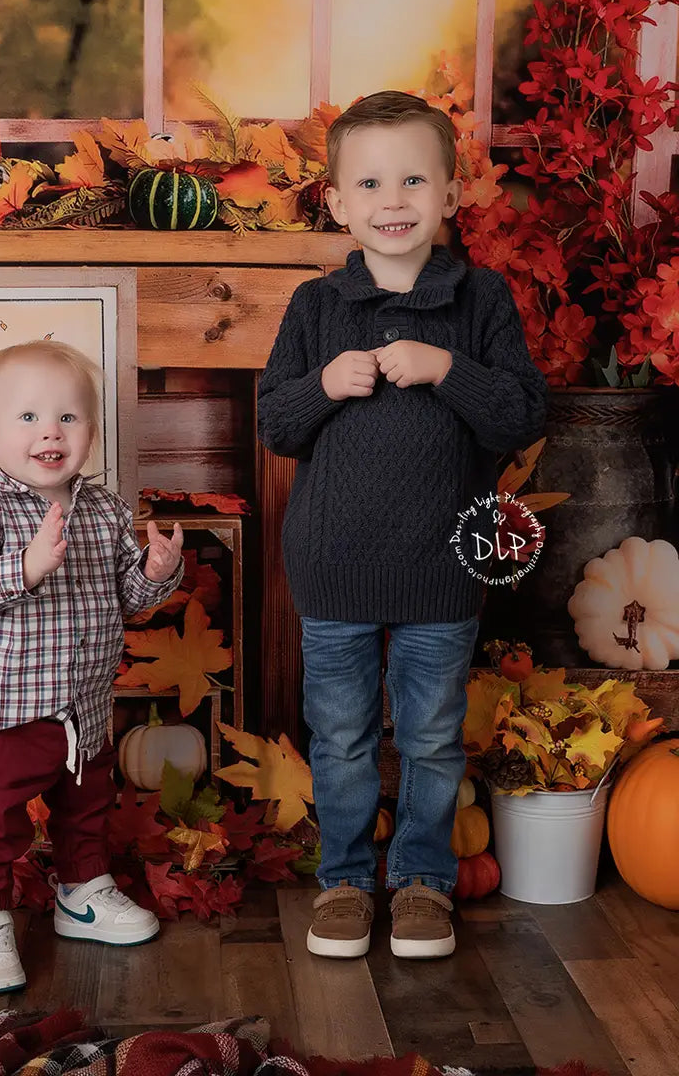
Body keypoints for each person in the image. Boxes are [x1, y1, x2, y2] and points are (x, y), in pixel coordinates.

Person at [257, 91, 547, 960]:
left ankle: (422, 879)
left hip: (442, 568)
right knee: (340, 734)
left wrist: (447, 369)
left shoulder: (480, 300)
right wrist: (325, 386)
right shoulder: (317, 308)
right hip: (334, 567)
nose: (394, 200)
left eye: (415, 179)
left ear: (451, 195)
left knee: (427, 732)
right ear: (338, 203)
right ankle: (344, 880)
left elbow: (522, 416)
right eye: (371, 183)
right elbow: (276, 422)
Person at [0, 339, 184, 994]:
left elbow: (126, 596)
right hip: (4, 713)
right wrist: (26, 567)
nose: (50, 431)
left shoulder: (101, 509)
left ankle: (82, 893)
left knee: (85, 806)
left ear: (91, 434)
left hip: (84, 706)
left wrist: (158, 571)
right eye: (29, 418)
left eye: (68, 418)